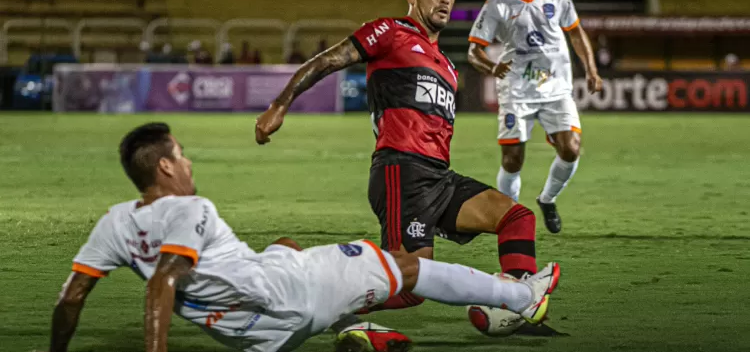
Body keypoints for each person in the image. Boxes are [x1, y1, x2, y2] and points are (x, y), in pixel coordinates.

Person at [46, 122, 560, 352]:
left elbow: (70, 300)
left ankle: (355, 329)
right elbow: (164, 282)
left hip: (256, 337)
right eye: (181, 155)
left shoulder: (113, 223)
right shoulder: (191, 208)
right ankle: (520, 296)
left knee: (286, 245)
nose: (188, 161)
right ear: (163, 167)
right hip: (292, 294)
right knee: (401, 264)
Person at [255, 0, 547, 330]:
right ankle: (302, 286)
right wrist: (280, 104)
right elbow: (328, 61)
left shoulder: (447, 65)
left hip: (439, 178)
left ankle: (517, 308)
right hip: (402, 171)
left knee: (516, 217)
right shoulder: (390, 32)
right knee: (407, 286)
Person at [466, 0, 603, 234]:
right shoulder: (497, 4)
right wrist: (491, 66)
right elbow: (473, 51)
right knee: (513, 159)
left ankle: (547, 198)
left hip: (556, 88)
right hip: (517, 89)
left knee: (571, 149)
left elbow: (576, 33)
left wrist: (590, 69)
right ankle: (509, 217)